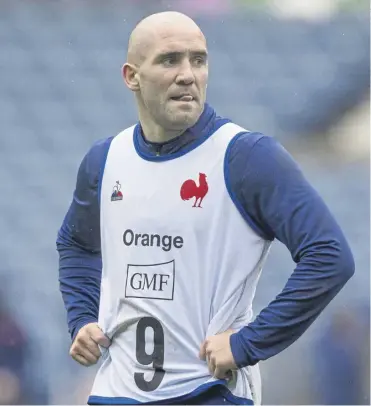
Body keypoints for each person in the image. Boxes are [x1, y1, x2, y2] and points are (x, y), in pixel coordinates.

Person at [57, 11, 355, 405]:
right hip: (117, 394)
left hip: (209, 391)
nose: (187, 74)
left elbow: (330, 256)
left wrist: (250, 342)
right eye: (169, 60)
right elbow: (76, 244)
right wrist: (82, 318)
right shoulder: (105, 160)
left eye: (198, 59)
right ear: (131, 76)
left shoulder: (246, 157)